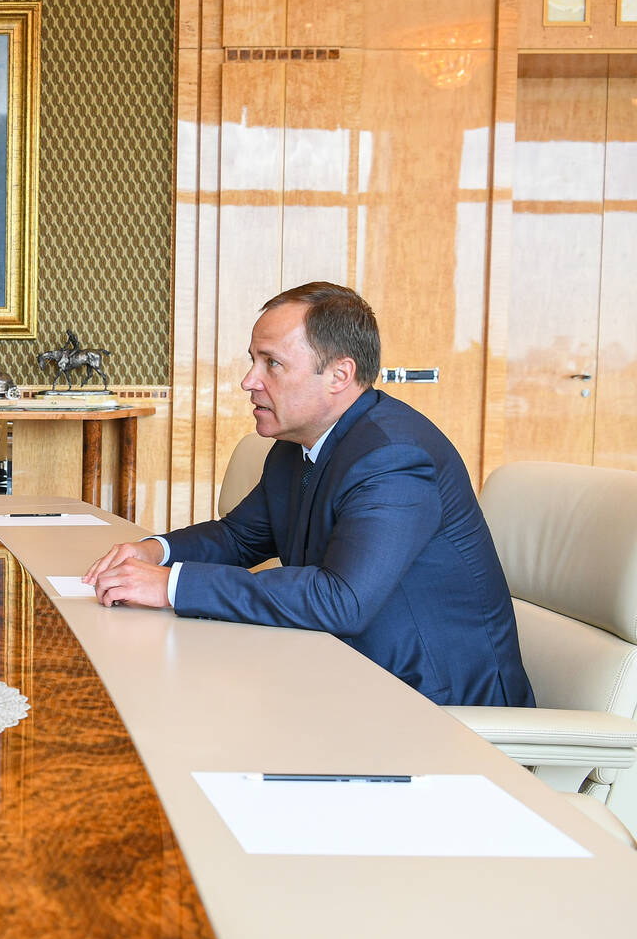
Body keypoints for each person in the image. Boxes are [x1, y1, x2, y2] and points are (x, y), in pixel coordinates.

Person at [82, 283, 532, 708]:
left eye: (271, 364)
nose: (249, 381)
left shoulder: (394, 456)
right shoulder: (297, 445)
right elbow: (239, 537)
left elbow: (342, 599)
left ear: (339, 375)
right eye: (253, 361)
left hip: (434, 708)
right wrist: (154, 551)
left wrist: (171, 585)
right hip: (341, 677)